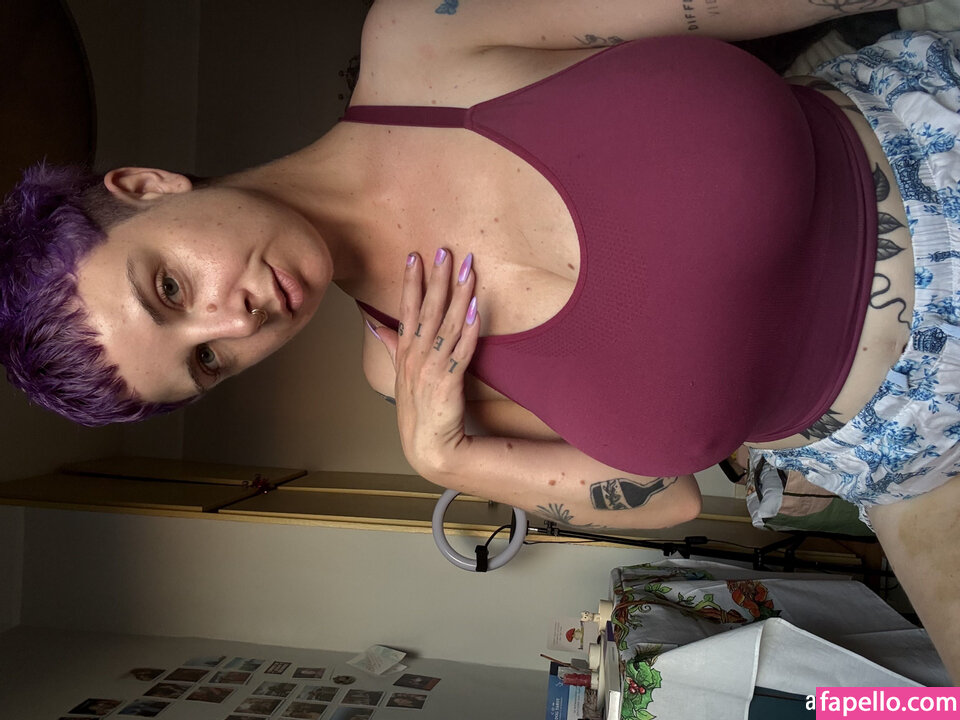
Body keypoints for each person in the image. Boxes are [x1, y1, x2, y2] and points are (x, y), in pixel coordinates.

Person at [1, 0, 957, 679]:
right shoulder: (409, 377)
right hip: (907, 458)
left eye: (170, 288)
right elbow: (666, 497)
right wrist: (448, 458)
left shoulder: (424, 36)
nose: (234, 323)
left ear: (144, 188)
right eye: (207, 362)